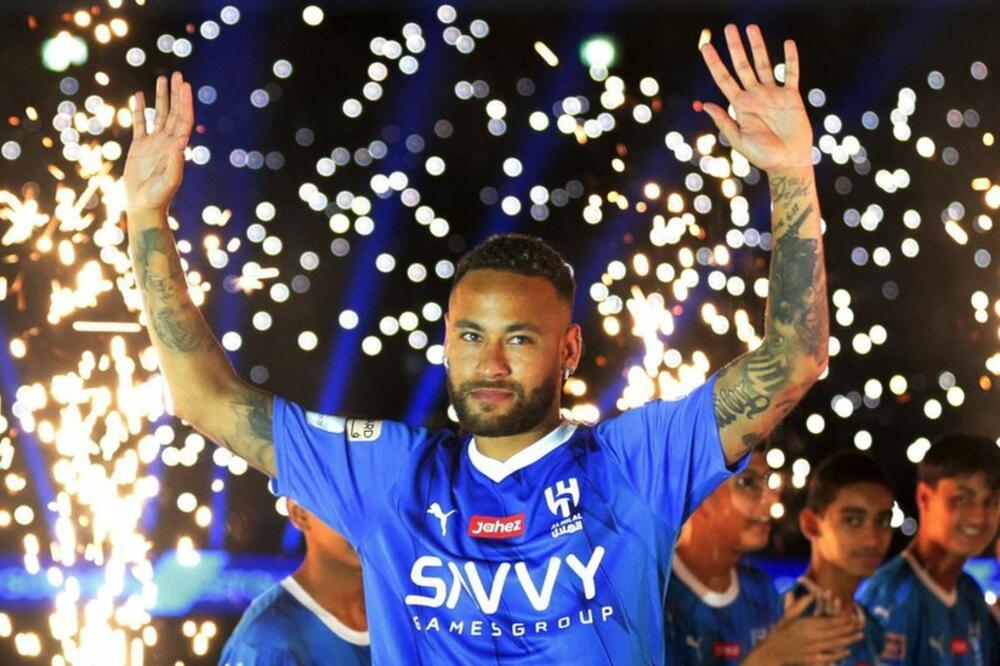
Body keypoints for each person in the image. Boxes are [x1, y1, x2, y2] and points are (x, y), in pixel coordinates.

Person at [123, 23, 828, 664]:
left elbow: (794, 361)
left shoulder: (638, 464)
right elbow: (203, 397)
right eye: (469, 336)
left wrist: (791, 173)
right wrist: (146, 213)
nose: (489, 363)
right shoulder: (388, 474)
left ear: (569, 351)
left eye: (518, 338)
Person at [666, 449, 861, 664]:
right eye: (747, 483)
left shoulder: (761, 589)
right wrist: (770, 655)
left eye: (768, 481)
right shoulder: (654, 594)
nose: (772, 498)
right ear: (699, 491)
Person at [859, 435, 1000, 665]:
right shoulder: (891, 600)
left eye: (991, 502)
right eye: (962, 499)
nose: (978, 517)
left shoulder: (969, 593)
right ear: (924, 497)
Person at [219, 499, 371, 665]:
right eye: (343, 502)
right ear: (300, 514)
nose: (364, 519)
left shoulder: (390, 606)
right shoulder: (266, 643)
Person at [784, 451, 895, 664]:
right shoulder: (782, 619)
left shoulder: (874, 629)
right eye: (852, 520)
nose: (873, 539)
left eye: (882, 521)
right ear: (811, 524)